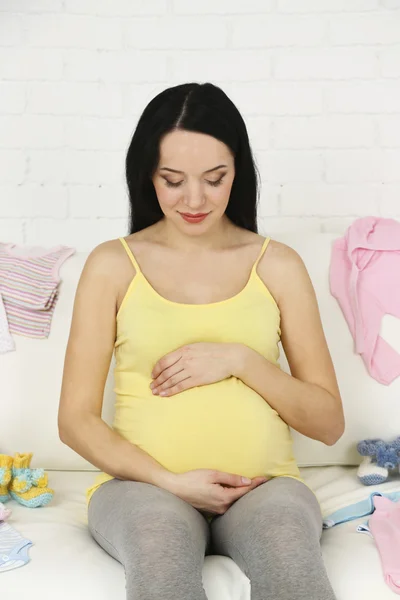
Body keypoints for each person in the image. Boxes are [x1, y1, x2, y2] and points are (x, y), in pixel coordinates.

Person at [57, 82, 344, 600]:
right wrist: (171, 482)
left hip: (263, 489)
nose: (194, 200)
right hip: (143, 490)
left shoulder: (277, 265)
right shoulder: (112, 264)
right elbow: (75, 419)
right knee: (159, 542)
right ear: (148, 175)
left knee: (286, 545)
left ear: (239, 172)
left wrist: (241, 361)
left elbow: (327, 423)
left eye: (215, 179)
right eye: (173, 180)